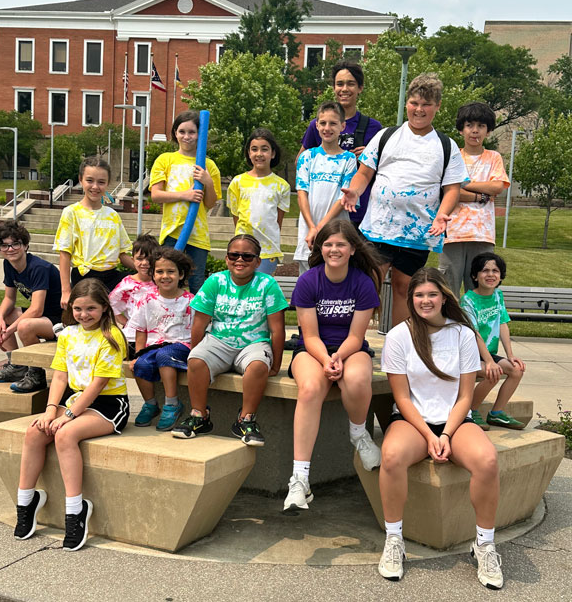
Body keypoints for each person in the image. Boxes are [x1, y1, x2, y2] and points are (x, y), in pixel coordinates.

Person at [378, 267, 502, 590]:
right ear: (410, 298)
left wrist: (446, 433)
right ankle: (394, 540)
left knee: (487, 460)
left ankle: (485, 545)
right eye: (419, 295)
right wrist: (429, 436)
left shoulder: (462, 334)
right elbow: (402, 398)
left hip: (455, 420)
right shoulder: (398, 337)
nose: (425, 300)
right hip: (412, 420)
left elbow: (465, 396)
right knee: (390, 455)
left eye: (432, 294)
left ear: (444, 296)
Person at [341, 73, 469, 326]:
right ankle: (354, 342)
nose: (419, 109)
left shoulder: (446, 145)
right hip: (378, 228)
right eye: (414, 103)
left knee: (404, 288)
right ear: (406, 103)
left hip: (418, 233)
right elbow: (365, 172)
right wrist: (354, 190)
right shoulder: (387, 136)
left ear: (437, 106)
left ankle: (400, 345)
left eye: (426, 104)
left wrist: (443, 213)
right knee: (368, 285)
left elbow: (452, 189)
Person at [13, 278, 129, 552]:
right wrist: (50, 410)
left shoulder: (112, 336)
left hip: (108, 404)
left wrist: (68, 416)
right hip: (74, 400)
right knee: (35, 431)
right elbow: (60, 376)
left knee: (65, 434)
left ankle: (76, 511)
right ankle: (26, 501)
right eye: (78, 308)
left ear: (104, 308)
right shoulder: (67, 334)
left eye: (91, 308)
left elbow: (99, 385)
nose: (84, 314)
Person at [283, 220, 383, 512]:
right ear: (320, 248)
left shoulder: (363, 282)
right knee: (312, 387)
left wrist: (338, 356)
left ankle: (358, 435)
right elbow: (309, 334)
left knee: (355, 379)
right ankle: (300, 479)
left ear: (353, 249)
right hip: (312, 350)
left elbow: (356, 336)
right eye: (328, 244)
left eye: (340, 244)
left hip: (350, 349)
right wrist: (326, 360)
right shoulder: (309, 281)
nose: (333, 249)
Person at [172, 234, 287, 446]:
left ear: (258, 261)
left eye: (247, 256)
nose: (240, 260)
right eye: (234, 255)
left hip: (254, 343)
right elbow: (199, 324)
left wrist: (275, 365)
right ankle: (199, 416)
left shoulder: (267, 284)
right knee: (196, 360)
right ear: (226, 259)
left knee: (258, 366)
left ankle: (246, 419)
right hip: (219, 341)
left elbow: (277, 329)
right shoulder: (215, 281)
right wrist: (196, 356)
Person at [297, 60, 382, 228]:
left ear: (360, 88)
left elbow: (383, 171)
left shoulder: (373, 127)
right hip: (322, 216)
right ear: (334, 88)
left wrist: (369, 158)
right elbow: (300, 160)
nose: (344, 89)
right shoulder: (319, 124)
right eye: (339, 84)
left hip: (360, 215)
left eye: (350, 84)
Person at [0, 221, 62, 392]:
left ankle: (36, 374)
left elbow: (36, 309)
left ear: (25, 245)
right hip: (42, 316)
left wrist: (9, 330)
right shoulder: (9, 265)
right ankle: (17, 366)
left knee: (25, 326)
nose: (10, 249)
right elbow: (9, 298)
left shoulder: (39, 267)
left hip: (60, 320)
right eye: (4, 246)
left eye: (15, 244)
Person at [439, 102, 509, 296]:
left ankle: (479, 327)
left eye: (481, 126)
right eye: (469, 125)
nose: (475, 131)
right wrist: (480, 195)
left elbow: (497, 186)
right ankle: (450, 327)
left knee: (481, 290)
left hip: (482, 235)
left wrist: (463, 183)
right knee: (448, 290)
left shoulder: (494, 157)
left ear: (488, 131)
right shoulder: (452, 157)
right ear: (461, 129)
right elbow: (446, 191)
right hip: (452, 233)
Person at [149, 110, 222, 293]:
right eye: (182, 131)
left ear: (200, 134)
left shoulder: (209, 165)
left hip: (198, 236)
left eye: (192, 132)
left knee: (197, 283)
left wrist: (208, 183)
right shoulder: (165, 160)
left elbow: (210, 203)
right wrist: (185, 195)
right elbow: (156, 195)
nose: (187, 136)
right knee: (168, 280)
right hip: (172, 233)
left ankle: (199, 321)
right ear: (175, 133)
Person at [54, 158, 134, 308]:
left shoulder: (112, 215)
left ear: (108, 183)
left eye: (101, 182)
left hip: (111, 276)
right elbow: (65, 253)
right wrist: (66, 291)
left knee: (142, 290)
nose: (95, 187)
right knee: (90, 319)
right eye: (89, 180)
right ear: (80, 180)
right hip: (85, 278)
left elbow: (122, 254)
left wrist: (146, 269)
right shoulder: (71, 212)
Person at [128, 248, 194, 431]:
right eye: (159, 271)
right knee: (140, 365)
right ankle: (150, 404)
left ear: (181, 274)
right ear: (153, 275)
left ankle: (172, 404)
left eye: (171, 271)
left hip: (182, 346)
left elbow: (198, 331)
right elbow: (141, 330)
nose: (165, 276)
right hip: (154, 348)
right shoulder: (147, 300)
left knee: (165, 355)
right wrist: (138, 355)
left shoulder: (190, 301)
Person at [460, 253, 526, 430]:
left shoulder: (498, 295)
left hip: (488, 354)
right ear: (475, 275)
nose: (490, 275)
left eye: (495, 271)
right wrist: (489, 362)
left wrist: (510, 355)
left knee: (516, 370)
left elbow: (502, 323)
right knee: (493, 372)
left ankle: (496, 413)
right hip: (469, 355)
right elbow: (475, 333)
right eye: (485, 270)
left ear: (501, 275)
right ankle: (469, 411)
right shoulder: (468, 300)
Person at [295, 101, 357, 275]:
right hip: (309, 233)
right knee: (308, 281)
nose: (327, 128)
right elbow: (301, 194)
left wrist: (320, 227)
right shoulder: (307, 157)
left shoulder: (349, 160)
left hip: (336, 233)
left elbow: (342, 199)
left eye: (333, 123)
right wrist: (312, 227)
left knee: (335, 279)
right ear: (316, 125)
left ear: (342, 126)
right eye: (322, 123)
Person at [227, 128, 290, 276]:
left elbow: (277, 222)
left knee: (261, 291)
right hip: (243, 249)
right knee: (242, 289)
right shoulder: (237, 182)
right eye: (254, 149)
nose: (259, 154)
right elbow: (236, 218)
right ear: (249, 153)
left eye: (264, 149)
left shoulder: (281, 186)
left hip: (268, 251)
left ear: (273, 153)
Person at [109, 233, 159, 358]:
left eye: (149, 259)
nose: (145, 263)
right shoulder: (127, 283)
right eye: (140, 259)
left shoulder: (161, 282)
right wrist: (125, 321)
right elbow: (111, 304)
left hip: (156, 336)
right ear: (133, 260)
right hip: (132, 336)